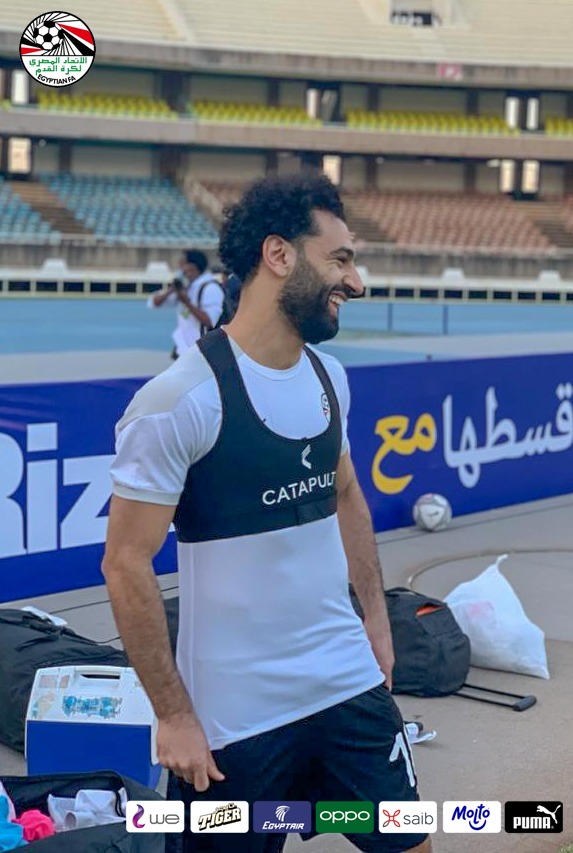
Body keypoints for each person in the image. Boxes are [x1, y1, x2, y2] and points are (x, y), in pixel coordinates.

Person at [102, 173, 431, 853]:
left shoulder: (330, 378)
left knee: (413, 843)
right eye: (340, 259)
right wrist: (174, 715)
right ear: (278, 255)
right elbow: (125, 562)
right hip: (235, 718)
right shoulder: (178, 400)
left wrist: (375, 622)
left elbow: (346, 494)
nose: (356, 282)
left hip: (346, 682)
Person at [148, 249, 224, 358]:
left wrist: (187, 303)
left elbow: (209, 321)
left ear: (192, 267)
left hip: (202, 352)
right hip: (183, 351)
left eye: (182, 264)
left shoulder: (210, 288)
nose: (179, 268)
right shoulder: (186, 286)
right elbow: (155, 302)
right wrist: (172, 289)